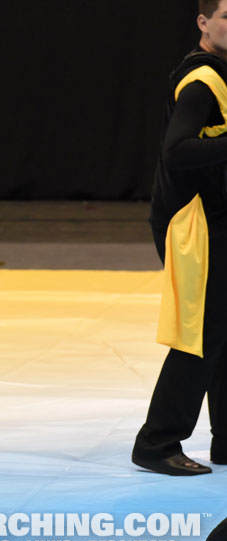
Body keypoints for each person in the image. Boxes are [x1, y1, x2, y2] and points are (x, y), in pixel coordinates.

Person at [131, 0, 227, 477]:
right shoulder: (202, 81)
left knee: (222, 330)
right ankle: (157, 442)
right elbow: (178, 152)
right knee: (201, 333)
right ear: (204, 22)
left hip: (214, 219)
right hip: (193, 224)